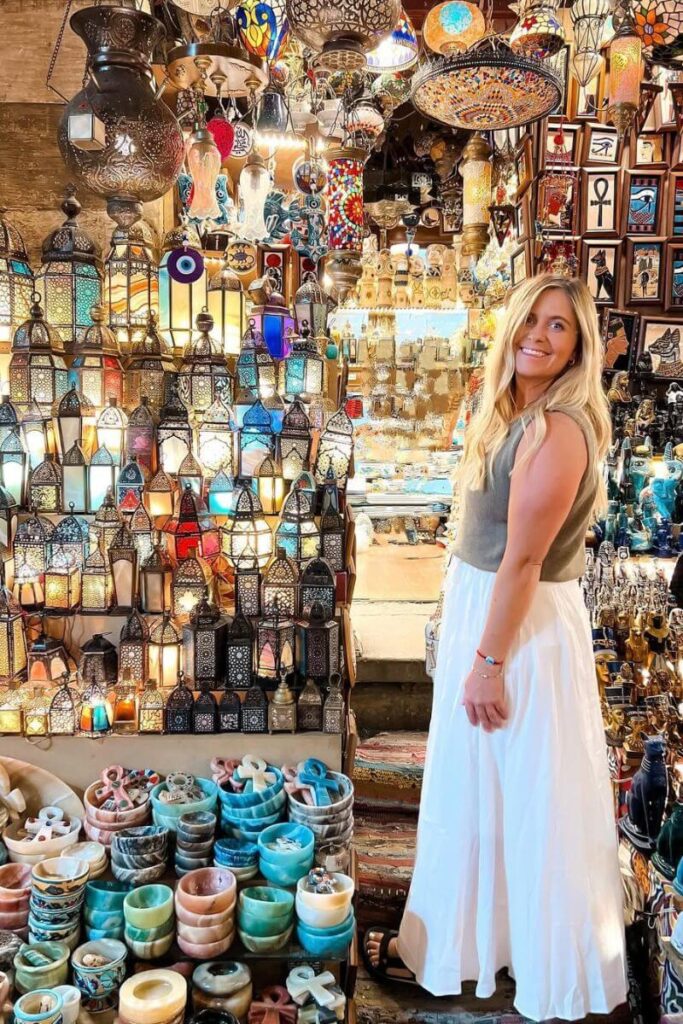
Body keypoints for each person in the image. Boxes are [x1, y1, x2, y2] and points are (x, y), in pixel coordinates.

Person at [362, 275, 627, 1022]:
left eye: (559, 328)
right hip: (501, 619)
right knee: (486, 788)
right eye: (531, 320)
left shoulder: (558, 427)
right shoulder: (521, 417)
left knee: (529, 794)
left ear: (577, 349)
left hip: (520, 630)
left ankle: (528, 961)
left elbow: (520, 560)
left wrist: (486, 662)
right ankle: (474, 945)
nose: (538, 337)